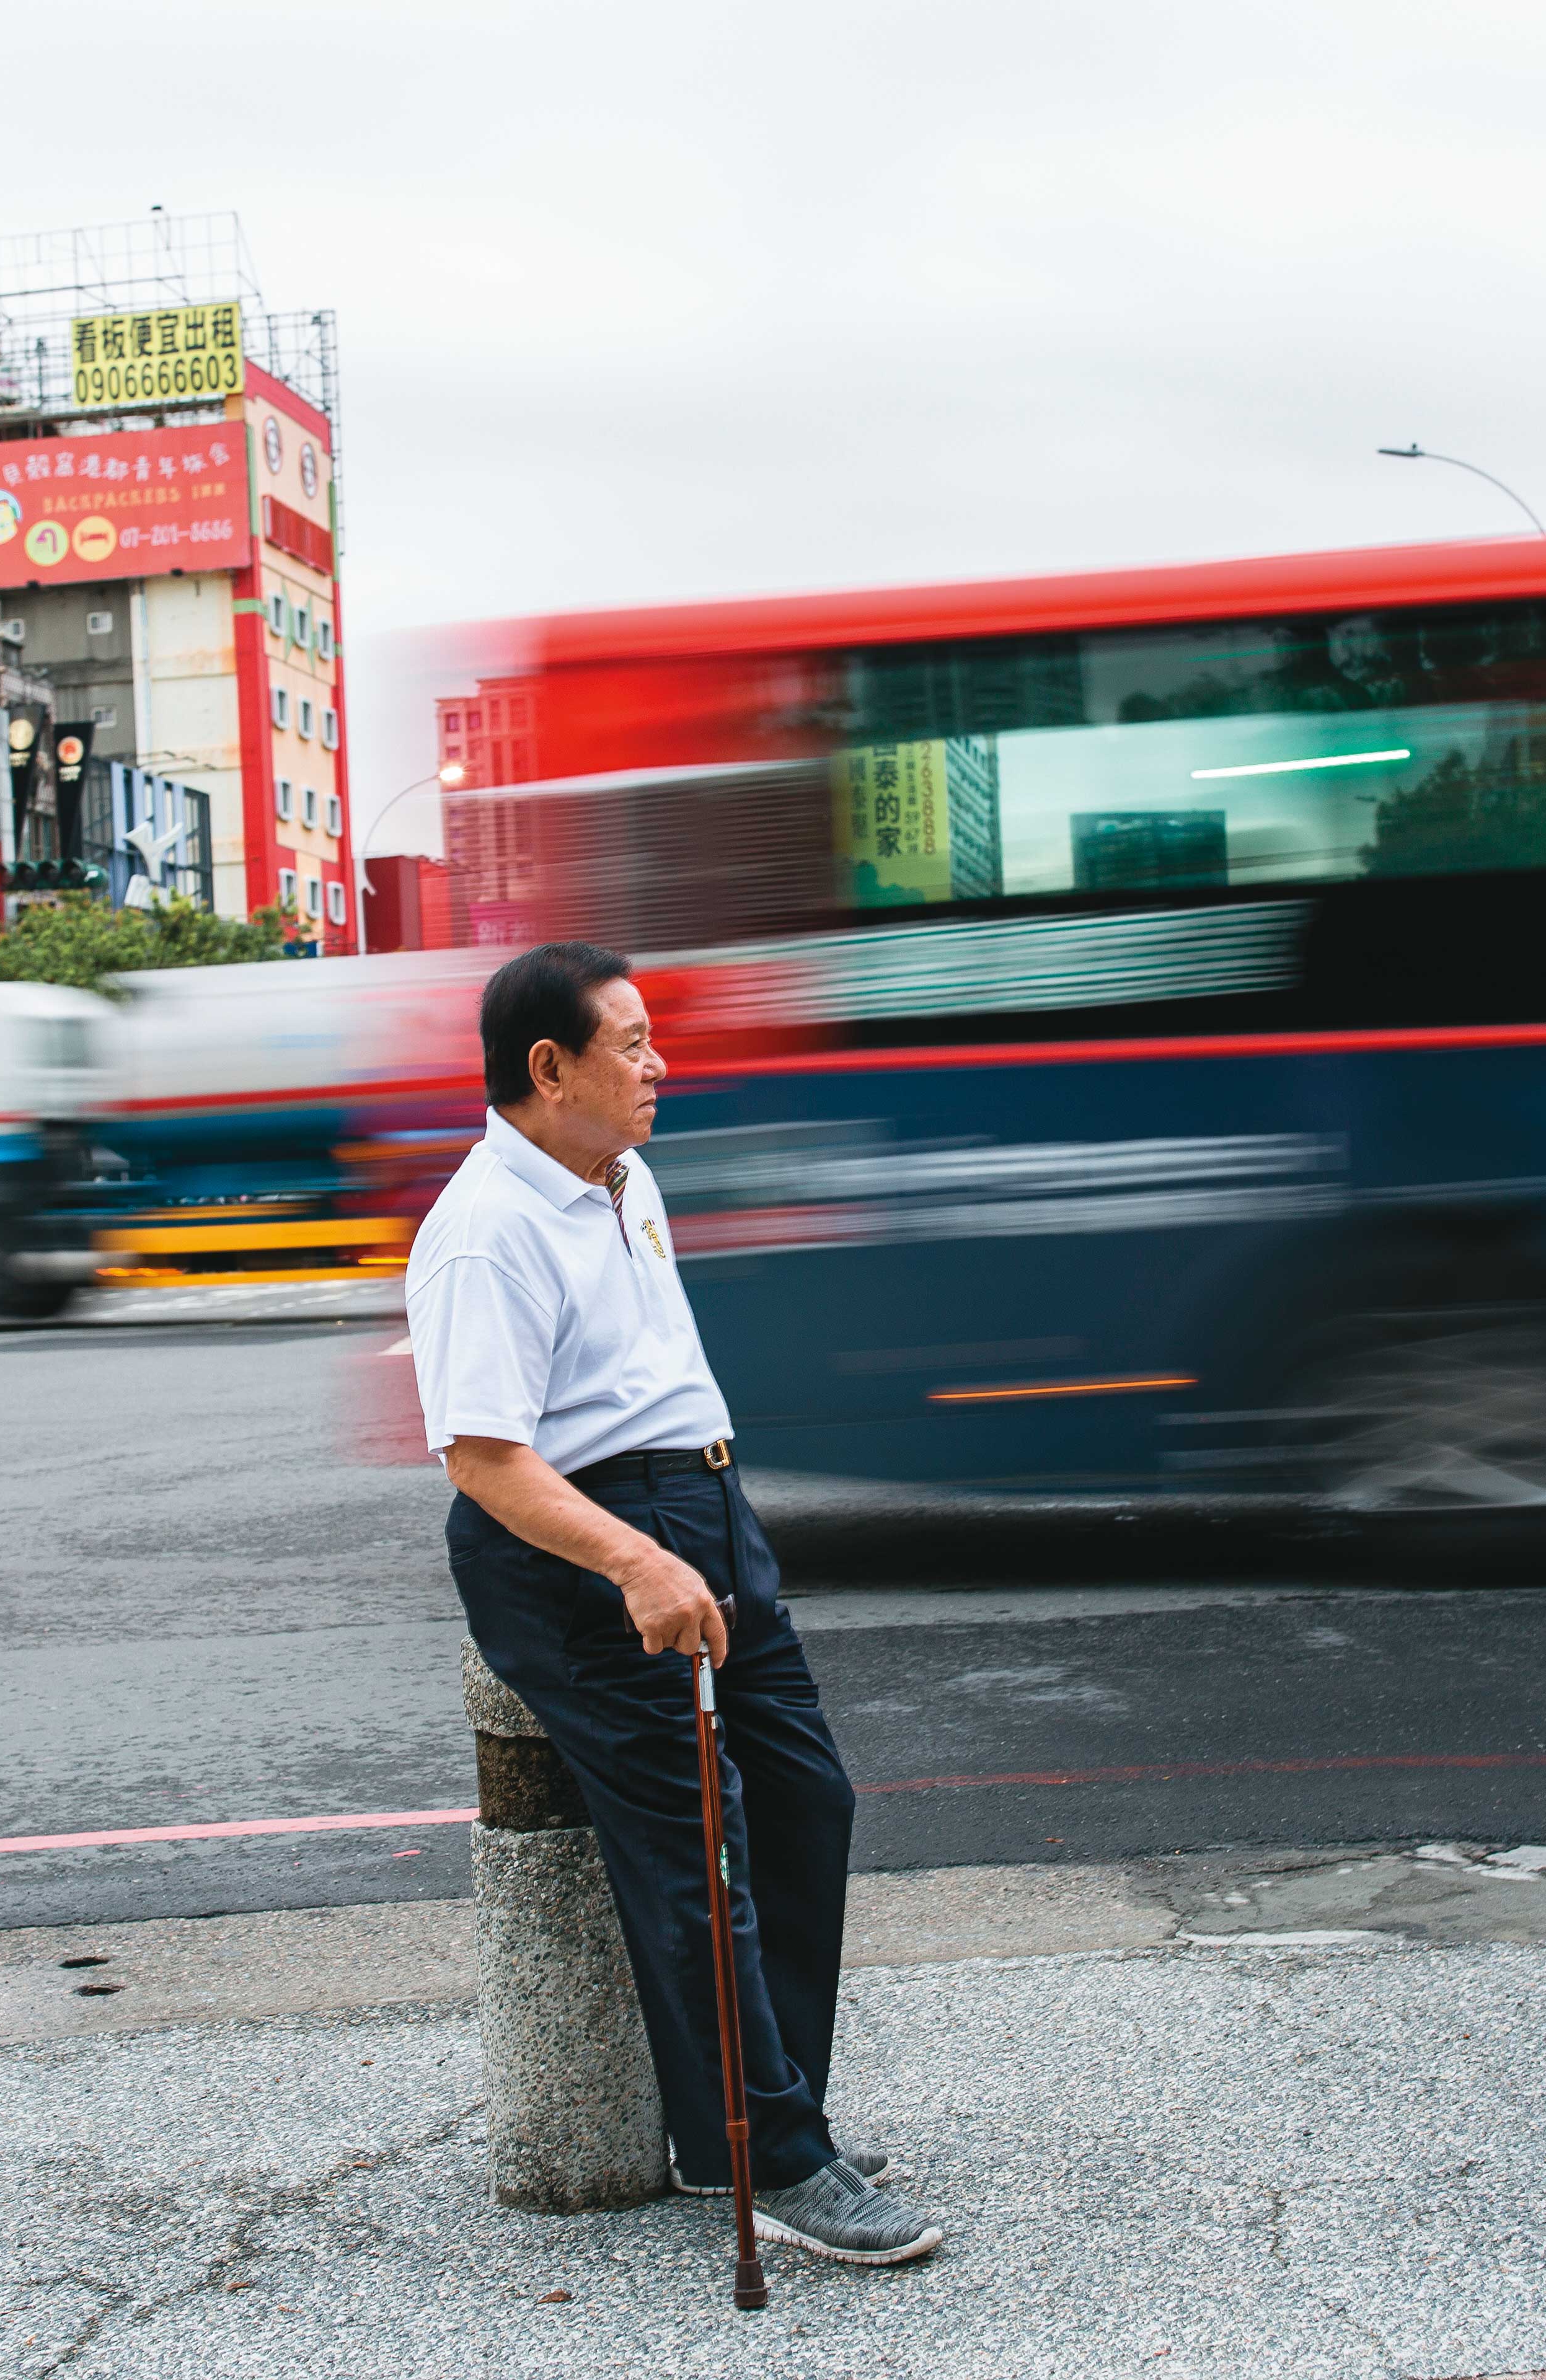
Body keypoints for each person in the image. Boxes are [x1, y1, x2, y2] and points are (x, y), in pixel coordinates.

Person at [405, 941, 943, 2268]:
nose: (661, 1066)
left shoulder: (619, 1176)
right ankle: (773, 2152)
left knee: (808, 1798)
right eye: (633, 1044)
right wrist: (637, 1562)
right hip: (587, 1552)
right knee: (701, 1849)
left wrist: (701, 1533)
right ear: (551, 1068)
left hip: (701, 1516)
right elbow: (484, 1461)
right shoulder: (485, 1230)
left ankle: (745, 2125)